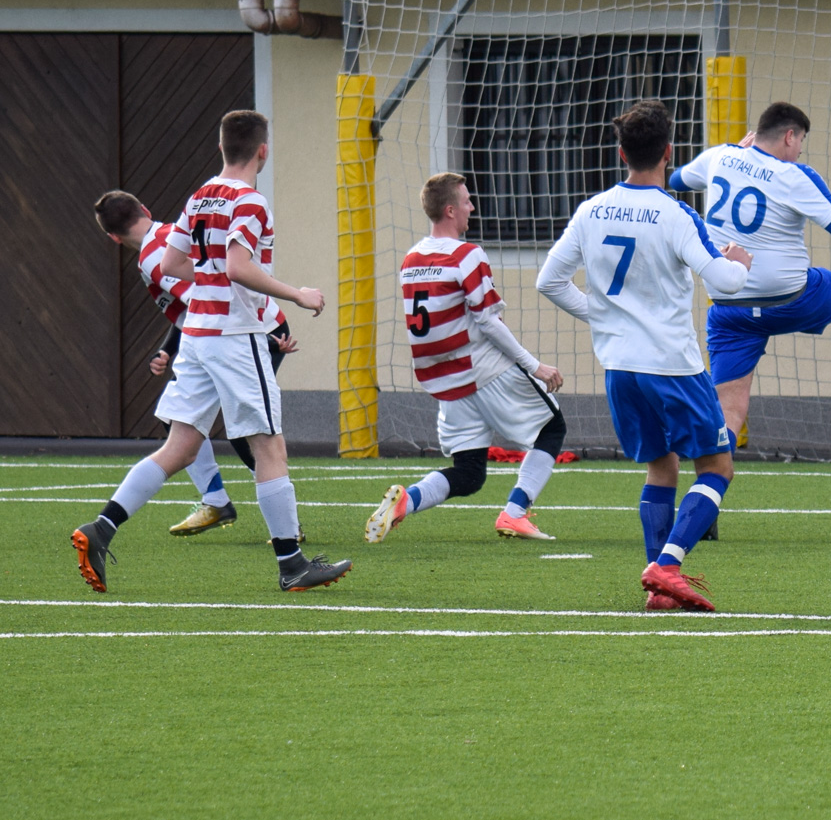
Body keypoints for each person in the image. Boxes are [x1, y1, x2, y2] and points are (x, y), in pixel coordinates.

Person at [71, 110, 349, 593]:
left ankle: (102, 527)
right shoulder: (250, 200)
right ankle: (292, 565)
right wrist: (297, 294)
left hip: (197, 335)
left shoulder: (200, 195)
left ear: (221, 148)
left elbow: (172, 264)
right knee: (269, 447)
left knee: (179, 447)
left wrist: (213, 277)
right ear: (263, 151)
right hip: (235, 336)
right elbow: (238, 268)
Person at [538, 99, 752, 611]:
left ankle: (661, 591)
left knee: (661, 467)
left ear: (621, 153)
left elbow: (550, 281)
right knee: (718, 468)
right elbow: (724, 282)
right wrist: (739, 261)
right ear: (668, 153)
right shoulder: (676, 214)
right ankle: (668, 566)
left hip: (620, 368)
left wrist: (603, 316)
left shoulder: (591, 210)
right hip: (673, 367)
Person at [667, 102, 831, 444]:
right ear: (790, 136)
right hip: (790, 301)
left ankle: (708, 474)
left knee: (729, 413)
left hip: (730, 308)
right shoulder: (795, 176)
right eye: (801, 143)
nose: (799, 152)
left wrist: (734, 151)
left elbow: (676, 179)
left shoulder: (720, 156)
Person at [365, 173, 568, 544]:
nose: (472, 208)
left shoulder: (411, 259)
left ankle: (408, 500)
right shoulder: (467, 254)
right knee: (552, 428)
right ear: (449, 210)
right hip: (483, 370)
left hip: (446, 381)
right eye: (466, 201)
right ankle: (514, 513)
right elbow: (488, 321)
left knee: (470, 472)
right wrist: (534, 365)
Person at [96, 190, 301, 537]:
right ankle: (219, 501)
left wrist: (268, 339)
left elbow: (204, 301)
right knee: (184, 420)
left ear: (113, 237)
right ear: (145, 209)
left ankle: (282, 526)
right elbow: (198, 305)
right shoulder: (173, 232)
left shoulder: (154, 256)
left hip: (247, 331)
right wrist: (168, 349)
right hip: (237, 329)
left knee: (248, 431)